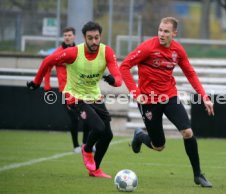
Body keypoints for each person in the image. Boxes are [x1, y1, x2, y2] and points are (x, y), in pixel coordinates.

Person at [119, 17, 214, 187]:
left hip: (169, 97)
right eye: (160, 30)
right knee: (159, 146)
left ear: (174, 33)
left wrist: (204, 97)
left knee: (187, 132)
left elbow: (190, 73)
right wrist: (136, 92)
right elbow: (124, 66)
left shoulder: (178, 51)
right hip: (148, 100)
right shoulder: (147, 47)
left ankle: (198, 175)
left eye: (166, 31)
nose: (162, 34)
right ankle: (140, 136)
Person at [27, 21, 122, 178]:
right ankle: (86, 149)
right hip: (74, 97)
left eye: (96, 38)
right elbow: (47, 61)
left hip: (94, 96)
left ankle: (95, 170)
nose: (93, 41)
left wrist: (114, 80)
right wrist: (37, 82)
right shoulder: (73, 53)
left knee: (108, 135)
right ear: (84, 37)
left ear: (100, 37)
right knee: (98, 128)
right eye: (90, 38)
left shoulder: (106, 52)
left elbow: (118, 77)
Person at [41, 26, 86, 154]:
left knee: (88, 117)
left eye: (69, 35)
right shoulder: (57, 53)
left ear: (74, 36)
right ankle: (76, 146)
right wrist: (47, 86)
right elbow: (47, 68)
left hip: (81, 90)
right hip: (66, 92)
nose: (67, 37)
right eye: (65, 35)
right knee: (74, 118)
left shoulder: (80, 51)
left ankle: (85, 144)